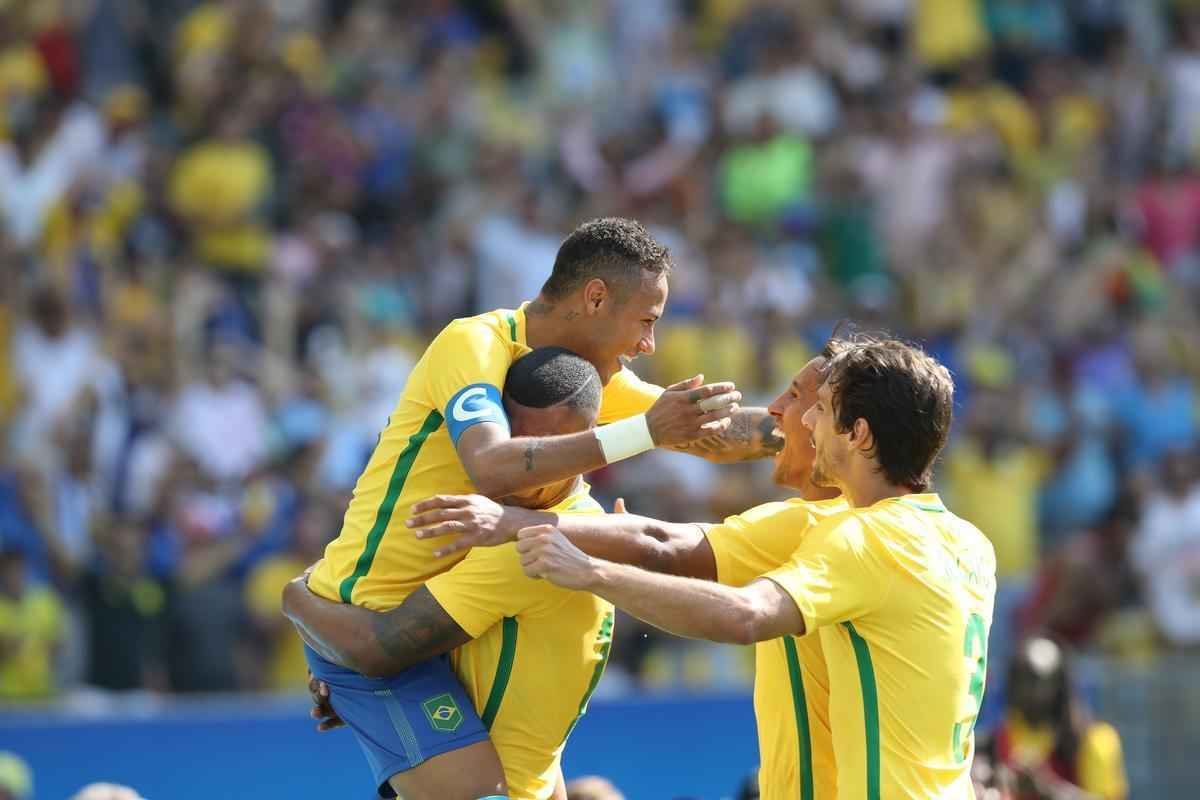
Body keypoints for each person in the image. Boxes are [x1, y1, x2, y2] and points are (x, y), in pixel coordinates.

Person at [298, 217, 770, 799]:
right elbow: (492, 463)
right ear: (595, 297)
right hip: (372, 624)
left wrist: (820, 433)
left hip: (440, 629)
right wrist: (303, 606)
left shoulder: (577, 386)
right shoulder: (475, 345)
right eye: (647, 321)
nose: (649, 344)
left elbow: (712, 434)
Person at [507, 338, 997, 800]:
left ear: (860, 433)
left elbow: (744, 612)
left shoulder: (861, 537)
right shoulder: (969, 542)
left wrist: (592, 572)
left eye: (820, 408)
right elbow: (669, 541)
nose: (802, 421)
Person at [400, 344, 848, 800]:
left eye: (795, 397)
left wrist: (567, 551)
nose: (775, 408)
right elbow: (664, 549)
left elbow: (712, 589)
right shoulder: (804, 523)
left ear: (848, 431)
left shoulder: (842, 530)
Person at [287, 348, 619, 800]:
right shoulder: (581, 520)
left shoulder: (526, 545)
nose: (522, 473)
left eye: (544, 452)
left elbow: (376, 650)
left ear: (588, 441)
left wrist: (295, 597)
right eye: (517, 449)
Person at [988, 636, 1128, 800]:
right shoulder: (1000, 738)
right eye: (1019, 678)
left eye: (1036, 680)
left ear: (1060, 684)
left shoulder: (1095, 740)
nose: (1027, 690)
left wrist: (1049, 791)